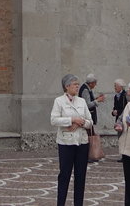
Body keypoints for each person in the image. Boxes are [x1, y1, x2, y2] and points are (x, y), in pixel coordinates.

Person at [51, 73, 93, 206]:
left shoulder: (81, 101)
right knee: (64, 175)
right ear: (67, 86)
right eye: (75, 84)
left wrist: (80, 122)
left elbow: (90, 121)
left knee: (80, 176)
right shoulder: (59, 101)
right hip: (66, 143)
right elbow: (54, 120)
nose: (77, 86)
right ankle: (60, 203)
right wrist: (71, 120)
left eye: (77, 84)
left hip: (82, 142)